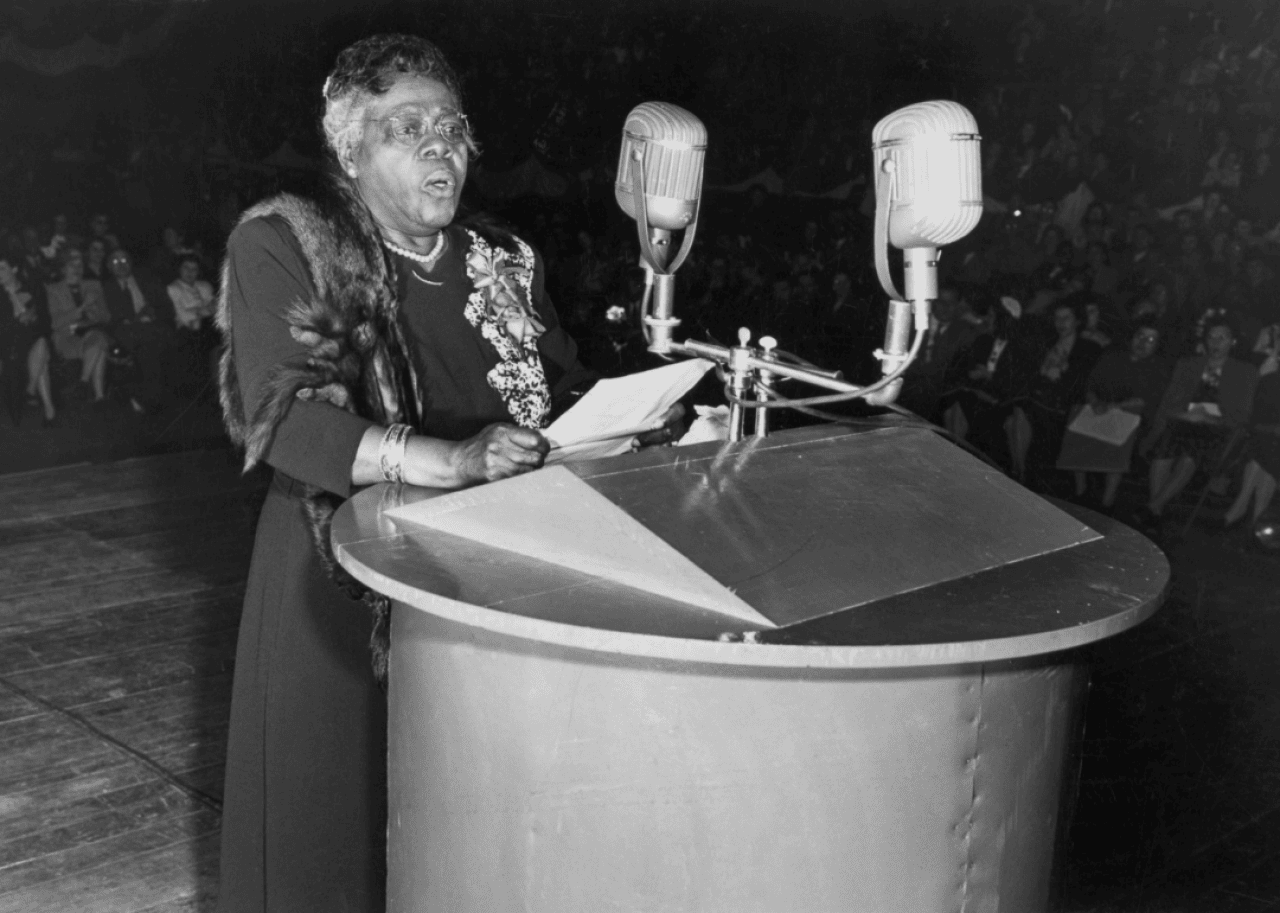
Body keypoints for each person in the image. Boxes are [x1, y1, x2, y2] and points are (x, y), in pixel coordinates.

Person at [214, 34, 677, 913]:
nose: (440, 145)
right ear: (349, 150)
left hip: (495, 591)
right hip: (342, 591)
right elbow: (286, 419)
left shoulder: (503, 259)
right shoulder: (287, 242)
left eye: (453, 127)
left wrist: (656, 416)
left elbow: (560, 392)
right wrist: (448, 460)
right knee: (341, 843)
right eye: (408, 126)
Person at [1141, 316, 1258, 522]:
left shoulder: (1245, 372)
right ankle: (1155, 510)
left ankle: (1153, 506)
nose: (1215, 343)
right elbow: (1169, 401)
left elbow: (1243, 414)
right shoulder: (1188, 365)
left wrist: (1208, 418)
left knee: (1190, 454)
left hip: (1218, 430)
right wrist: (1185, 415)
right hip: (1182, 422)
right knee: (1164, 450)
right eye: (1211, 337)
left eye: (1222, 338)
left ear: (1233, 341)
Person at [1065, 320, 1169, 509]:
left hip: (1133, 417)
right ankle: (1080, 492)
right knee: (1079, 424)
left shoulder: (1158, 368)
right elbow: (1090, 385)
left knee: (1122, 436)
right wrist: (1095, 401)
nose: (1143, 342)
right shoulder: (1112, 357)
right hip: (1100, 408)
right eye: (1140, 336)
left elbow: (1144, 401)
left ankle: (1107, 502)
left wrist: (1113, 406)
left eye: (1150, 339)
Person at [46, 248, 112, 404]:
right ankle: (98, 395)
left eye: (80, 265)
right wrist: (81, 308)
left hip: (91, 331)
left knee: (98, 337)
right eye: (72, 265)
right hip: (66, 336)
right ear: (62, 269)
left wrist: (93, 311)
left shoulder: (94, 285)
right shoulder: (53, 290)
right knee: (100, 344)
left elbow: (107, 317)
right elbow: (54, 323)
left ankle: (83, 383)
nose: (77, 269)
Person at [0, 255, 56, 426]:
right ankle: (47, 408)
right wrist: (19, 320)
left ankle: (31, 390)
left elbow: (46, 318)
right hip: (9, 343)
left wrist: (33, 317)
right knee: (42, 356)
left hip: (33, 336)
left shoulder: (32, 288)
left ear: (14, 269)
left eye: (2, 268)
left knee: (41, 342)